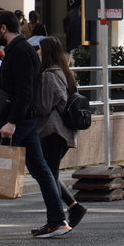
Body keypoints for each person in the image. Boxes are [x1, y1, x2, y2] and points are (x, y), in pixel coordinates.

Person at [0, 10, 71, 237]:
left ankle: (58, 220)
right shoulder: (19, 50)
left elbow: (25, 92)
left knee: (40, 170)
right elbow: (14, 90)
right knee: (40, 169)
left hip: (21, 120)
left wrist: (11, 123)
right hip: (23, 120)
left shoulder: (20, 51)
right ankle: (58, 220)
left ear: (4, 28)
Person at [37, 36, 87, 228]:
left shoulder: (49, 75)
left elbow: (45, 107)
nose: (38, 53)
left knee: (48, 175)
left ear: (47, 52)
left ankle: (59, 218)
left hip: (53, 131)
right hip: (66, 131)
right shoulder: (66, 73)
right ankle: (74, 207)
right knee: (50, 174)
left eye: (40, 49)